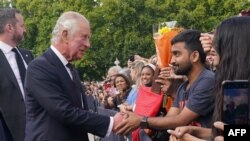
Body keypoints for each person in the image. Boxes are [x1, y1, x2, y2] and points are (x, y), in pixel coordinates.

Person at [24, 11, 123, 141]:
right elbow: (65, 112)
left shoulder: (71, 69)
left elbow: (80, 111)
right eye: (84, 37)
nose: (88, 44)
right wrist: (111, 122)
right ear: (65, 35)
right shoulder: (39, 67)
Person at [116, 30, 215, 136]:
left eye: (177, 54)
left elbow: (180, 120)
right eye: (172, 55)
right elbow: (170, 120)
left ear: (194, 56)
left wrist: (141, 120)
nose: (172, 61)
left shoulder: (207, 80)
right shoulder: (183, 87)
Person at [167, 16, 250, 141]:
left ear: (232, 46)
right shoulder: (234, 85)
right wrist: (197, 131)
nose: (212, 47)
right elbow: (239, 132)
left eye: (217, 41)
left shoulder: (210, 80)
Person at [0, 8, 33, 141]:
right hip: (10, 134)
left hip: (37, 130)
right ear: (9, 27)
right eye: (22, 25)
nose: (24, 30)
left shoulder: (27, 55)